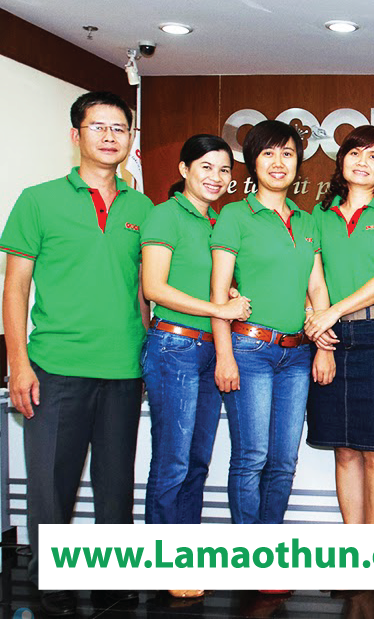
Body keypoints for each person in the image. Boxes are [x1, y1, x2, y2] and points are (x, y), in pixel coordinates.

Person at [1, 91, 152, 615]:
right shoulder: (38, 200)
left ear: (130, 139)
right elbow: (15, 289)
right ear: (76, 135)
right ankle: (51, 584)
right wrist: (18, 364)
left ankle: (112, 580)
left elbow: (143, 290)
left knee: (115, 485)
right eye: (98, 127)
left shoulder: (142, 208)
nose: (110, 137)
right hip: (55, 367)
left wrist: (148, 356)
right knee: (51, 485)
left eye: (119, 128)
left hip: (124, 367)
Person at [140, 134, 252, 598]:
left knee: (196, 462)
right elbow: (154, 287)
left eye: (224, 170)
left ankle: (184, 557)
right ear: (184, 169)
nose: (216, 177)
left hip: (212, 349)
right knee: (172, 460)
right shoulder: (165, 214)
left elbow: (218, 286)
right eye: (206, 166)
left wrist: (229, 299)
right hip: (175, 346)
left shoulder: (219, 222)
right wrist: (218, 308)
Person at [210, 120, 330, 528]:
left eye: (287, 154)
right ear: (252, 161)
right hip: (249, 351)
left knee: (283, 461)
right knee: (252, 457)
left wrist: (324, 349)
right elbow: (219, 292)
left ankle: (270, 547)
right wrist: (224, 356)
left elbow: (317, 287)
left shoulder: (307, 220)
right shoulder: (234, 216)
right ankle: (248, 550)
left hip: (297, 355)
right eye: (268, 153)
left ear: (298, 163)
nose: (279, 162)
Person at [302, 125, 374, 526]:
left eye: (373, 156)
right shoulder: (320, 213)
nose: (363, 162)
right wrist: (322, 341)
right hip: (331, 337)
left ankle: (373, 547)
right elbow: (313, 279)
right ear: (341, 160)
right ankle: (353, 547)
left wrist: (331, 313)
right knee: (344, 449)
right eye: (355, 153)